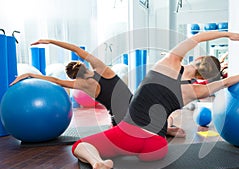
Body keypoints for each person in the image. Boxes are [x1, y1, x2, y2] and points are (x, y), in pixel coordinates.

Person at [71, 30, 239, 169]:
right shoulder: (195, 90)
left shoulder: (168, 62)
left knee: (80, 145)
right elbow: (224, 83)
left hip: (128, 135)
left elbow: (197, 38)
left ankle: (99, 162)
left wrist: (227, 34)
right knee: (158, 124)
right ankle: (161, 134)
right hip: (156, 147)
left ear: (197, 60)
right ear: (204, 77)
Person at [10, 39, 184, 137]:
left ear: (73, 76)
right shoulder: (102, 69)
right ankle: (165, 127)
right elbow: (76, 49)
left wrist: (31, 75)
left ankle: (164, 128)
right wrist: (51, 41)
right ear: (83, 65)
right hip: (139, 112)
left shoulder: (82, 85)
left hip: (121, 121)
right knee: (149, 126)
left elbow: (55, 80)